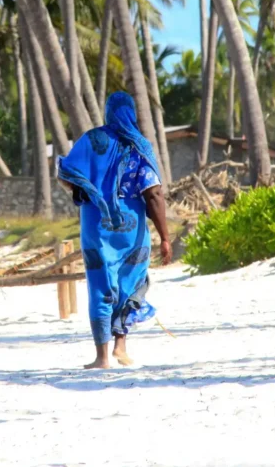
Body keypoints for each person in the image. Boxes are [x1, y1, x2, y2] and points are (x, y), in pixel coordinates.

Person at [57, 92, 172, 369]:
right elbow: (154, 194)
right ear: (132, 112)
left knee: (100, 286)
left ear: (107, 112)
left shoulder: (91, 140)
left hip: (96, 226)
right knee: (130, 283)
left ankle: (102, 356)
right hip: (132, 230)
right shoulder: (140, 145)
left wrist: (90, 191)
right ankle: (121, 345)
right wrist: (165, 237)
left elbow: (66, 175)